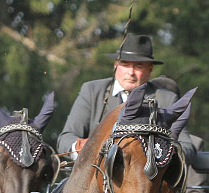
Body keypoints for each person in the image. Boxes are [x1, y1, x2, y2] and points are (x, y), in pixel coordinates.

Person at [57, 34, 196, 161]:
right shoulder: (92, 91)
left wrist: (159, 152)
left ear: (150, 69)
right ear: (115, 65)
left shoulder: (167, 99)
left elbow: (187, 148)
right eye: (125, 64)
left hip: (145, 182)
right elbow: (65, 140)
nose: (130, 72)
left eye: (138, 66)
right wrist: (80, 147)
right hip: (92, 182)